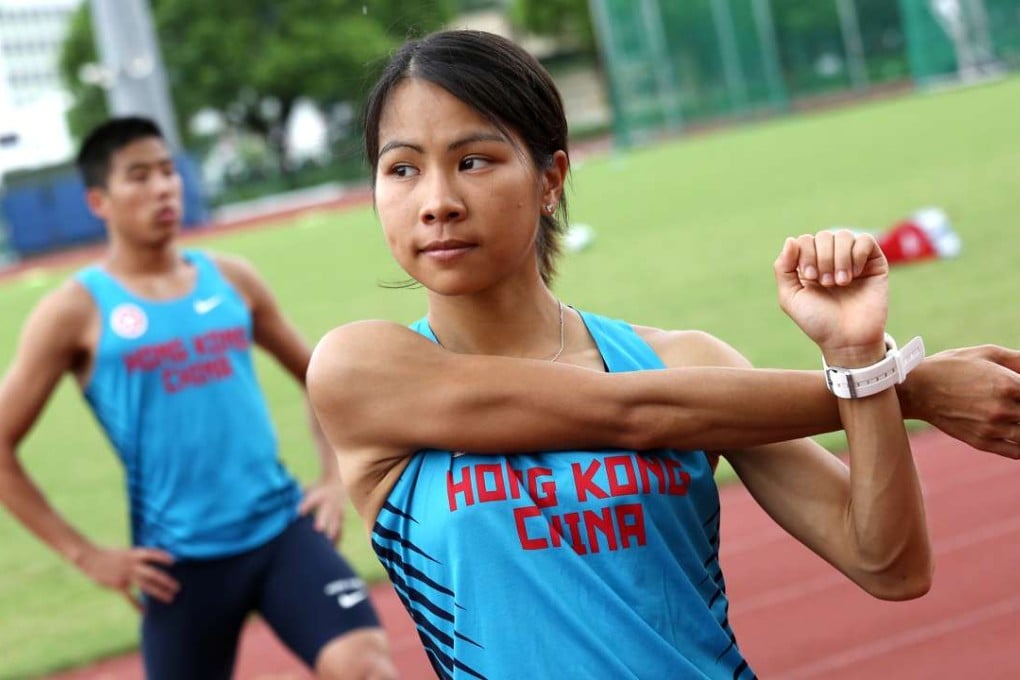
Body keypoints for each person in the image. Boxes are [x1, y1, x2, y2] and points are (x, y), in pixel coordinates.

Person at [305, 30, 1020, 680]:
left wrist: (857, 349)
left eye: (473, 160)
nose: (437, 201)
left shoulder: (684, 361)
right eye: (402, 170)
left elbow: (889, 566)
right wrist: (902, 388)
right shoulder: (362, 372)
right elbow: (633, 416)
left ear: (550, 179)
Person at [0, 117, 395, 680]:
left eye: (167, 171)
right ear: (98, 201)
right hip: (178, 565)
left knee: (367, 669)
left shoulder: (233, 279)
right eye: (139, 176)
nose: (162, 187)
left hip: (281, 533)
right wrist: (87, 555)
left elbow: (321, 377)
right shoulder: (74, 311)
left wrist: (333, 478)